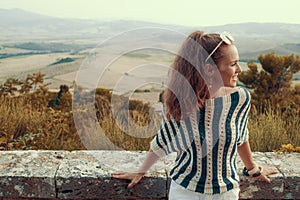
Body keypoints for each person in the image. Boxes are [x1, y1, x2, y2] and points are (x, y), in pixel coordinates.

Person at [113, 30, 278, 199]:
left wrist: (252, 169)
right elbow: (162, 142)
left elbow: (241, 138)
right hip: (185, 191)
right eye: (232, 64)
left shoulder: (240, 99)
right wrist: (140, 171)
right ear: (209, 69)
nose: (239, 70)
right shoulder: (180, 102)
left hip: (226, 193)